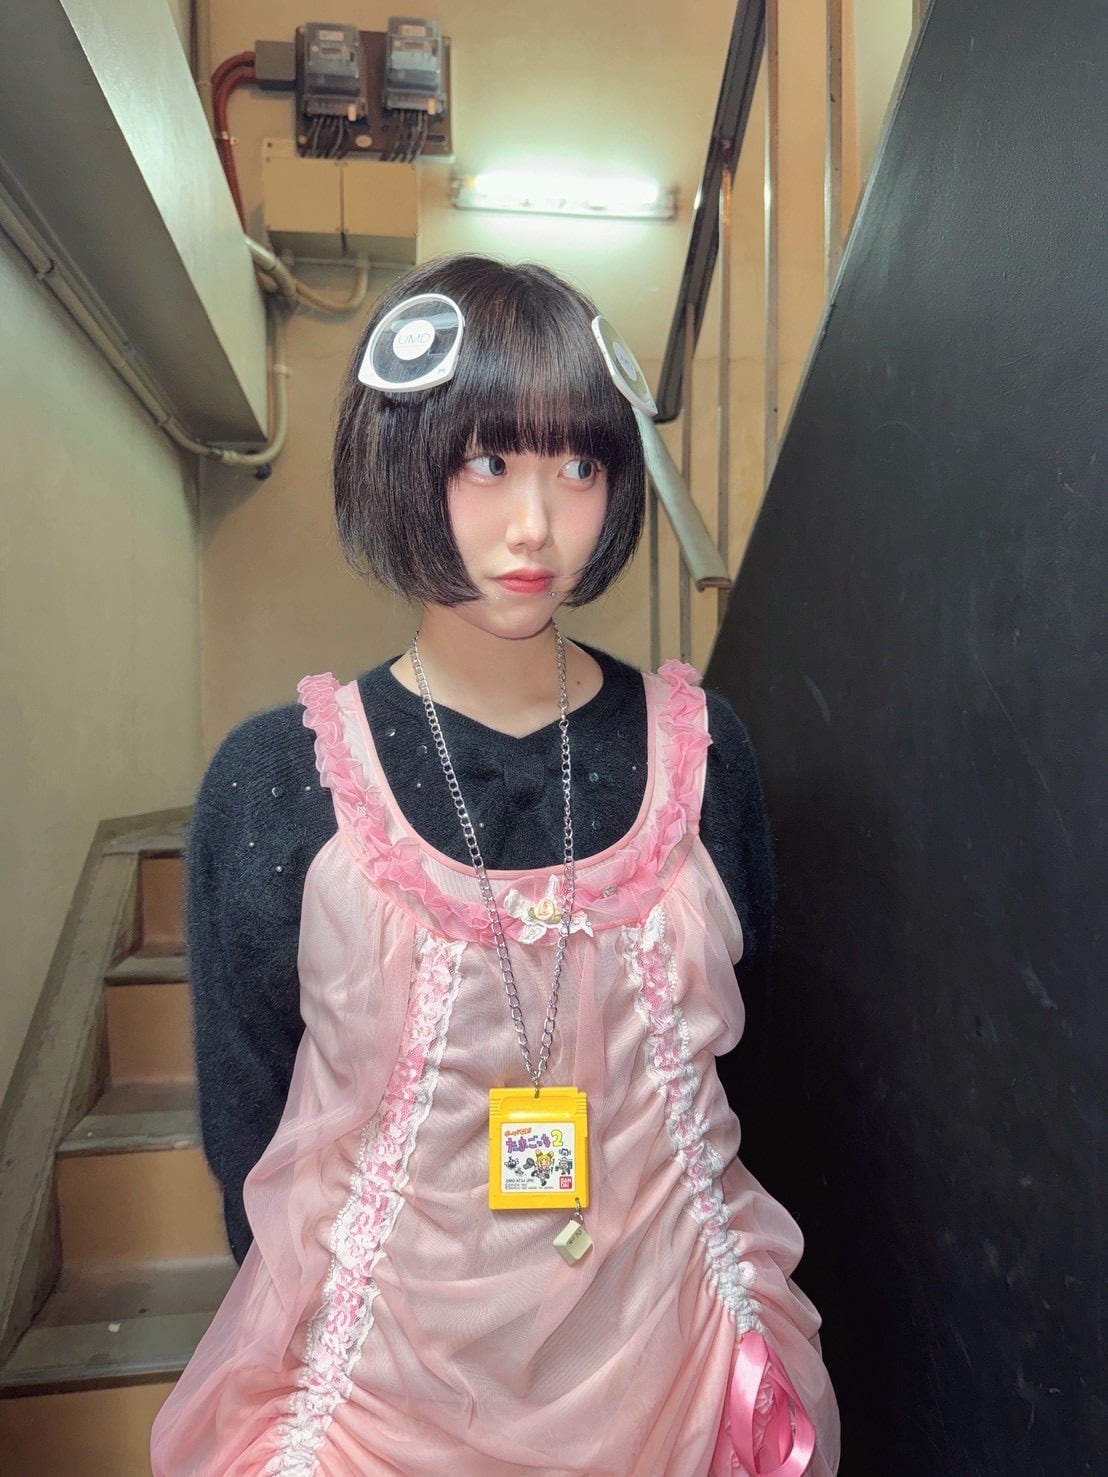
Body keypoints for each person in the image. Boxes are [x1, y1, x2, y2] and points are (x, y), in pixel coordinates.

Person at [151, 255, 840, 1476]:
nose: (535, 525)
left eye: (577, 468)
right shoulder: (275, 783)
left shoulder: (705, 753)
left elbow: (750, 1082)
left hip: (676, 1371)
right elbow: (251, 1146)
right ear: (403, 460)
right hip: (378, 1404)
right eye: (486, 462)